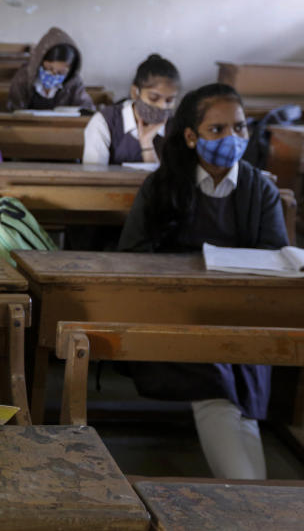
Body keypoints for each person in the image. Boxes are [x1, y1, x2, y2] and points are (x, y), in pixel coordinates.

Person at [119, 83, 288, 480]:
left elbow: (276, 259)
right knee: (217, 381)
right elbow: (132, 257)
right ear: (191, 137)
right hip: (175, 317)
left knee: (235, 381)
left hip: (239, 317)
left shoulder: (259, 188)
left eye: (241, 128)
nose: (232, 139)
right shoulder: (162, 186)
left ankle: (250, 497)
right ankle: (250, 495)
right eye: (217, 130)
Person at [83, 54, 181, 165]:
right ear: (135, 93)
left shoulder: (175, 127)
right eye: (153, 98)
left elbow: (171, 180)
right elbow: (94, 175)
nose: (162, 106)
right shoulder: (105, 121)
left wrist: (147, 144)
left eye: (169, 100)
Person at [6, 27, 94, 110]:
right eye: (49, 68)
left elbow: (87, 110)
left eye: (61, 72)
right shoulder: (23, 78)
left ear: (70, 70)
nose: (53, 74)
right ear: (39, 62)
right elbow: (14, 109)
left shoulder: (73, 83)